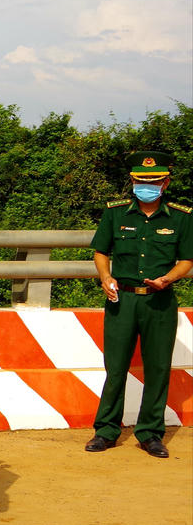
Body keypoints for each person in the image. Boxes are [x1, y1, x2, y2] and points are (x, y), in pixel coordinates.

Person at [86, 151, 192, 459]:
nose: (146, 187)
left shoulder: (182, 216)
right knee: (115, 367)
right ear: (132, 182)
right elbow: (101, 251)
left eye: (153, 182)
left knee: (157, 368)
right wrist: (105, 277)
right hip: (122, 300)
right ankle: (106, 430)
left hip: (159, 301)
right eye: (140, 181)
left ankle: (150, 433)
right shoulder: (116, 213)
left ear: (165, 183)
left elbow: (187, 259)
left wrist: (168, 278)